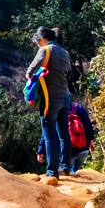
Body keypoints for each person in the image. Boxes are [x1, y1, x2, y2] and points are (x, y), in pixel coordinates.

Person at [25, 25, 72, 182]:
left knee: (50, 136)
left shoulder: (45, 50)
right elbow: (69, 74)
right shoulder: (64, 52)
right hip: (65, 97)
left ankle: (52, 172)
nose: (38, 45)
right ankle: (65, 167)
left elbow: (30, 73)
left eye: (38, 42)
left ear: (43, 39)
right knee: (64, 133)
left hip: (50, 100)